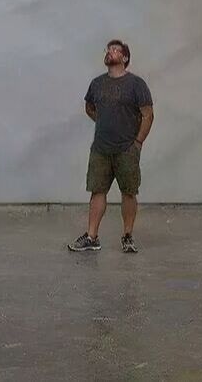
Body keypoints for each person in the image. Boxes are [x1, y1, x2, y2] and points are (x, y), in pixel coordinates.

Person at [68, 39, 153, 254]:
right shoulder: (97, 84)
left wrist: (138, 143)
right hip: (100, 149)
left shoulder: (136, 84)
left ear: (124, 58)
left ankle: (127, 236)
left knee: (129, 192)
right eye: (108, 50)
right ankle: (91, 236)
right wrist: (104, 121)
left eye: (115, 50)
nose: (110, 52)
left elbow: (148, 114)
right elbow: (89, 107)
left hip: (127, 148)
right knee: (97, 191)